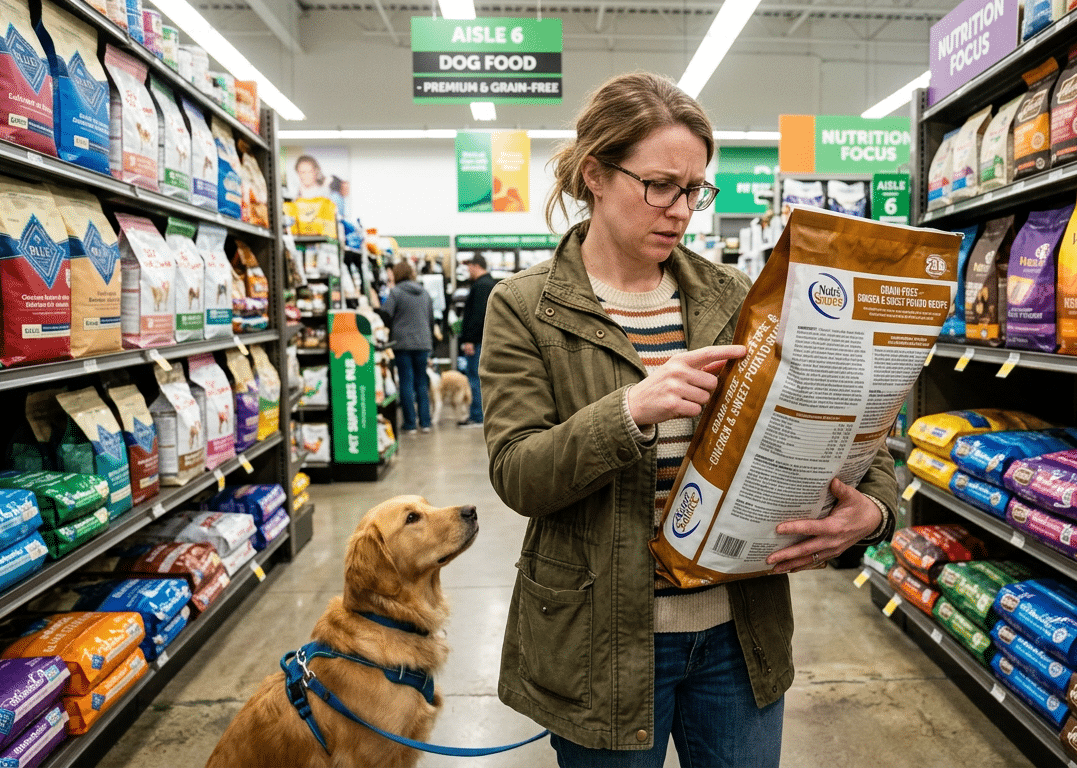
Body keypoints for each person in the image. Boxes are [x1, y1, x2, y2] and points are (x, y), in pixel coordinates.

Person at [479, 72, 898, 767]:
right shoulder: (526, 307)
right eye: (660, 185)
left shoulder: (734, 295)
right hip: (599, 643)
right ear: (595, 174)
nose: (680, 210)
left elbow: (836, 420)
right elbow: (518, 473)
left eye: (695, 189)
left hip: (738, 635)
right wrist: (627, 411)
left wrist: (874, 512)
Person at [379, 260, 434, 433]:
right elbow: (430, 319)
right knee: (421, 382)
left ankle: (410, 423)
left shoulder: (396, 292)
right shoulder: (424, 293)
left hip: (402, 343)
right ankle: (425, 422)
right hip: (423, 342)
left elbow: (386, 314)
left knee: (406, 382)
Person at [457, 254, 494, 427]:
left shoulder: (481, 286)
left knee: (474, 378)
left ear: (475, 266)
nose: (467, 271)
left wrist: (470, 340)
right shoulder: (491, 284)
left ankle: (477, 416)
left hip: (478, 341)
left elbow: (478, 316)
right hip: (486, 340)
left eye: (468, 266)